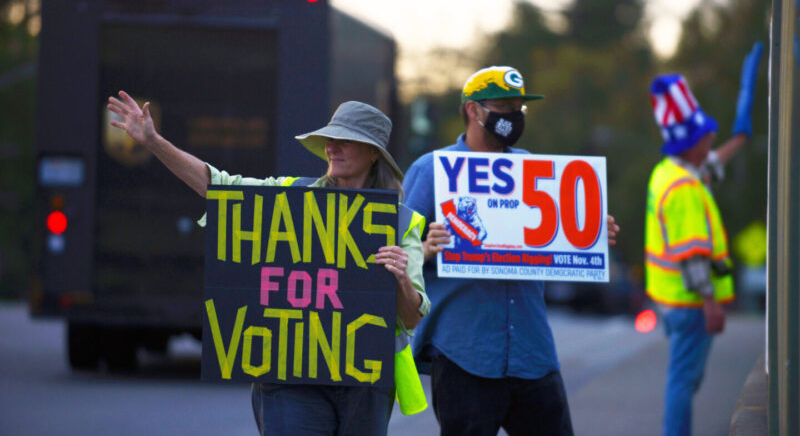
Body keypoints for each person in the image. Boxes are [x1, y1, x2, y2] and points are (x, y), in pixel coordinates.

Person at [107, 92, 430, 435]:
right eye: (329, 140)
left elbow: (411, 317)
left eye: (345, 141)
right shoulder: (289, 199)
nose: (332, 148)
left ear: (373, 153)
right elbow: (217, 186)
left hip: (364, 385)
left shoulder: (399, 223)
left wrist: (400, 281)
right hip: (291, 377)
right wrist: (153, 142)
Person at [402, 66, 620, 436]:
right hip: (463, 352)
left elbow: (553, 237)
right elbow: (392, 251)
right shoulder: (433, 170)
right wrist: (424, 249)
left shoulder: (534, 169)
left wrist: (591, 234)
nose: (514, 116)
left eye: (519, 107)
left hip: (532, 350)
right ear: (473, 110)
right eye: (503, 106)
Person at [644, 42, 762, 436]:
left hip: (672, 301)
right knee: (683, 384)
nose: (711, 140)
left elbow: (710, 166)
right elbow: (692, 255)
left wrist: (738, 140)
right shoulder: (685, 190)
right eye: (707, 136)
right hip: (691, 302)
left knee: (682, 381)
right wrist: (711, 303)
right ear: (691, 143)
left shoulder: (671, 172)